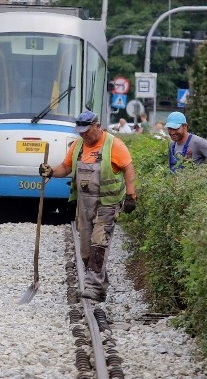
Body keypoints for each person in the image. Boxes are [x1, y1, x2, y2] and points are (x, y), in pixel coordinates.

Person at [39, 110, 137, 302]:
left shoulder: (113, 144)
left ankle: (93, 287)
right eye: (80, 131)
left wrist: (131, 194)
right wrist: (50, 171)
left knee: (99, 243)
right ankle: (100, 286)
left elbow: (128, 167)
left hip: (107, 204)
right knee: (85, 250)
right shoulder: (78, 146)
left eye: (86, 130)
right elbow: (66, 168)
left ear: (97, 126)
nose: (83, 134)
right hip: (84, 204)